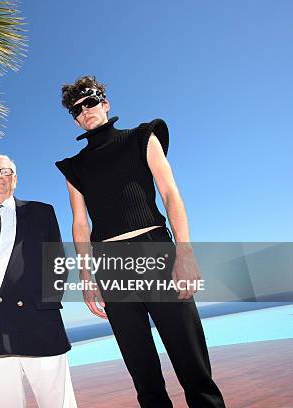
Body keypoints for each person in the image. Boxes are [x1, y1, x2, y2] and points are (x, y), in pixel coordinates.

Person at [55, 76, 226, 408]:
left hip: (156, 252)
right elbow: (79, 224)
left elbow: (170, 194)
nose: (85, 111)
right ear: (74, 118)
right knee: (143, 374)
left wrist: (184, 251)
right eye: (77, 110)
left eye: (90, 102)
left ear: (104, 103)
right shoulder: (73, 167)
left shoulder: (142, 137)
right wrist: (87, 277)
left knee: (192, 365)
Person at [0, 153, 77, 408]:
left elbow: (57, 263)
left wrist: (44, 304)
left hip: (40, 324)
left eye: (5, 172)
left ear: (15, 179)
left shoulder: (41, 212)